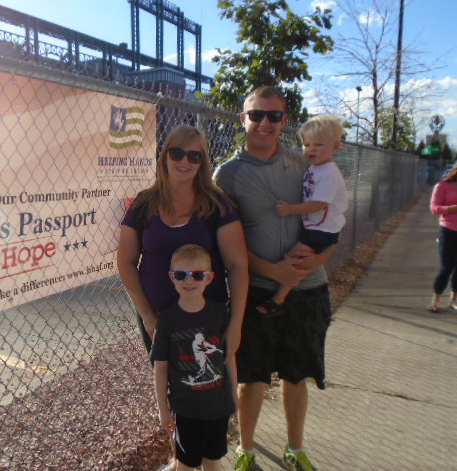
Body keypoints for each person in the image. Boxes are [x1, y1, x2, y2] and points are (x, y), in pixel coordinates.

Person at [214, 86, 335, 471]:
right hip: (257, 292)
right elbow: (226, 244)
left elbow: (332, 217)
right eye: (256, 115)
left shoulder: (306, 165)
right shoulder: (227, 175)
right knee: (252, 378)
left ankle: (295, 448)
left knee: (296, 376)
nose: (265, 123)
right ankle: (245, 449)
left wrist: (317, 259)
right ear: (243, 118)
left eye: (274, 115)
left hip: (308, 288)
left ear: (285, 121)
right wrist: (273, 271)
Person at [117, 124, 248, 360]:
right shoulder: (143, 204)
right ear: (165, 156)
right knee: (164, 380)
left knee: (207, 380)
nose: (184, 161)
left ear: (202, 163)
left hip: (206, 321)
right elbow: (125, 261)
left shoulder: (217, 206)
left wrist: (235, 324)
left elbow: (237, 265)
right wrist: (147, 315)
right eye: (177, 153)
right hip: (158, 320)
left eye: (194, 156)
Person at [151, 244, 237, 471]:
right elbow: (160, 368)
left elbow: (229, 358)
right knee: (186, 464)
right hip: (186, 410)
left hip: (218, 407)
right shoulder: (167, 320)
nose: (189, 281)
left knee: (213, 461)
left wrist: (234, 396)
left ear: (209, 278)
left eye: (198, 275)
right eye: (181, 275)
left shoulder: (220, 312)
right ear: (172, 277)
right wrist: (162, 409)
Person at [256, 115, 348, 315]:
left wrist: (290, 209)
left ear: (335, 147)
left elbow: (318, 204)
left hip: (322, 230)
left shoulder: (329, 174)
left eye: (319, 144)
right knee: (297, 260)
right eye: (307, 145)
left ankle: (277, 300)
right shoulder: (315, 168)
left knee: (294, 260)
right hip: (316, 227)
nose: (311, 149)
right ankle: (279, 298)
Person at [428, 161, 457, 312]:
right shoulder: (443, 185)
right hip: (448, 230)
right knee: (447, 267)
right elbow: (434, 208)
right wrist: (453, 208)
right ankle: (435, 300)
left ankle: (453, 300)